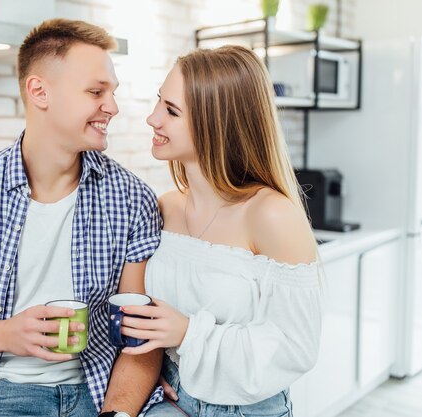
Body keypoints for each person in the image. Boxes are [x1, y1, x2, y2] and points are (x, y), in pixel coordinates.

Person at [0, 19, 164, 417]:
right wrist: (8, 334)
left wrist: (118, 412)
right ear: (39, 91)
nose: (112, 106)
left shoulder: (133, 199)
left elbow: (137, 337)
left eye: (112, 92)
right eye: (96, 91)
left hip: (98, 392)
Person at [118, 45, 322, 417]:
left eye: (171, 111)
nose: (152, 119)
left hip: (246, 409)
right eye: (158, 102)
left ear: (218, 123)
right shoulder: (165, 207)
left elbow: (296, 348)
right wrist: (151, 379)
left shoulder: (271, 215)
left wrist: (187, 333)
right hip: (170, 397)